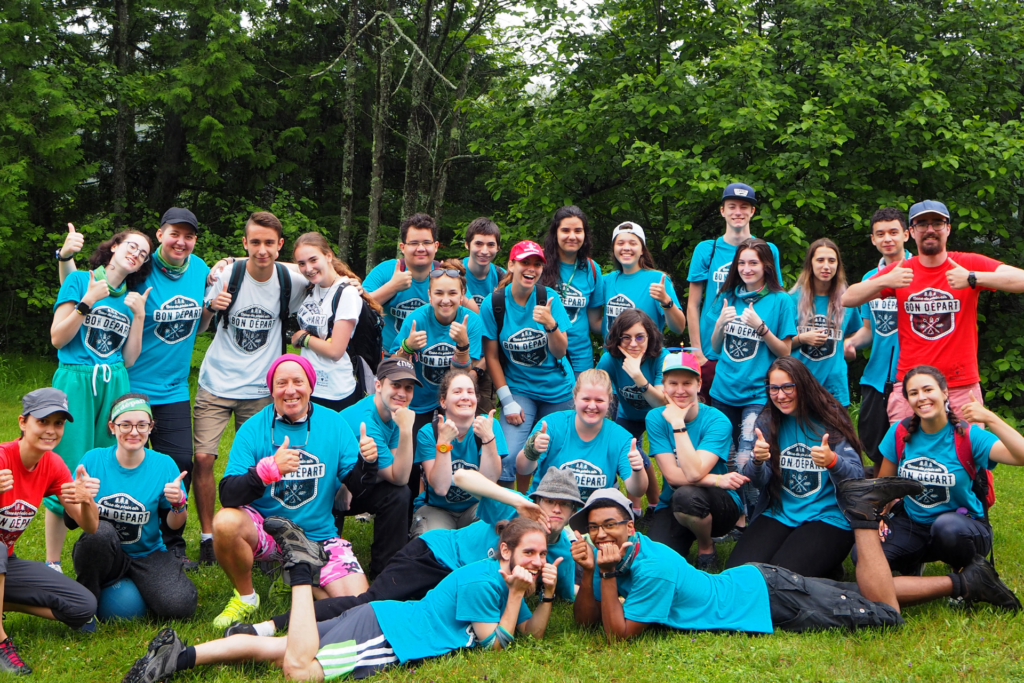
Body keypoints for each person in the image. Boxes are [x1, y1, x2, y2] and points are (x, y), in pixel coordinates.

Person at [123, 516, 561, 682]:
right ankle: (300, 574)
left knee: (281, 651)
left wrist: (543, 596)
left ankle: (179, 657)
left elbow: (526, 633)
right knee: (300, 671)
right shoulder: (484, 582)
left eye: (542, 554)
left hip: (382, 618)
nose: (537, 560)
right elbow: (494, 643)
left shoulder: (512, 583)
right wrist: (517, 594)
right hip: (390, 636)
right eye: (529, 553)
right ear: (505, 551)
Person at [569, 481, 1019, 643]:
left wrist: (605, 575)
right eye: (594, 527)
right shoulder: (619, 558)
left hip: (772, 602)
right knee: (864, 595)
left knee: (884, 616)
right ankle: (968, 582)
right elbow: (590, 622)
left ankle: (862, 517)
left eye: (611, 523)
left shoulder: (649, 567)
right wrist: (591, 572)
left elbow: (618, 636)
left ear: (632, 527)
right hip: (760, 586)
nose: (601, 533)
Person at [227, 467, 582, 639]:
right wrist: (516, 499)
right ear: (536, 500)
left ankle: (315, 601)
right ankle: (265, 628)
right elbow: (461, 478)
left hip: (457, 592)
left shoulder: (560, 548)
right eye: (548, 501)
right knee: (364, 605)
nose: (554, 510)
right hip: (435, 558)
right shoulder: (511, 513)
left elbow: (569, 594)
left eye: (564, 507)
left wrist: (592, 566)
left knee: (389, 620)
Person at [58, 208, 213, 568]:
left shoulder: (202, 270)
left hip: (174, 387)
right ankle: (107, 534)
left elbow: (204, 320)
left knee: (180, 463)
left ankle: (169, 542)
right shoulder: (141, 269)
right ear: (159, 235)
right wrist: (65, 257)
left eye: (188, 236)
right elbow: (88, 282)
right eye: (174, 233)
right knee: (113, 461)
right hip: (131, 384)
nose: (181, 241)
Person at [209, 355, 366, 629]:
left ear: (311, 387)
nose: (290, 390)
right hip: (269, 533)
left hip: (318, 538)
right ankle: (246, 597)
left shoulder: (334, 424)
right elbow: (228, 495)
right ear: (272, 389)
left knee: (358, 604)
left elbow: (361, 490)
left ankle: (291, 578)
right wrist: (265, 472)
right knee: (225, 522)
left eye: (298, 382)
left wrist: (369, 463)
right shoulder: (253, 429)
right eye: (281, 383)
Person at [193, 211, 309, 565]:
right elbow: (199, 328)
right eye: (254, 242)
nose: (262, 250)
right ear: (244, 243)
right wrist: (211, 308)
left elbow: (321, 269)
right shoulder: (229, 273)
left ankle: (256, 533)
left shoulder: (292, 279)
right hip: (216, 381)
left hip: (261, 387)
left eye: (269, 243)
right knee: (203, 458)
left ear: (280, 246)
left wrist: (350, 283)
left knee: (260, 465)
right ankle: (208, 535)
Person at [842, 199, 1024, 422]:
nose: (930, 229)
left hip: (960, 385)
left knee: (966, 453)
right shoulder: (901, 270)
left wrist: (973, 278)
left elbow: (1020, 279)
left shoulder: (966, 264)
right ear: (912, 231)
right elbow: (848, 298)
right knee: (907, 455)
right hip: (911, 386)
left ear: (948, 228)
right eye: (922, 224)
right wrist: (886, 280)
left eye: (937, 223)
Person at [47, 228, 153, 572]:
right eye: (131, 245)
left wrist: (138, 317)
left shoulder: (131, 296)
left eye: (143, 252)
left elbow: (131, 358)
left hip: (115, 383)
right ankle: (53, 562)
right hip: (76, 380)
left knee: (108, 466)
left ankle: (101, 553)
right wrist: (88, 300)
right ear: (114, 247)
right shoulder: (79, 280)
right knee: (67, 469)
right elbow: (58, 338)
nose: (136, 253)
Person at [867, 365, 1024, 573]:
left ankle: (967, 575)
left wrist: (990, 418)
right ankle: (912, 562)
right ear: (908, 400)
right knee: (865, 555)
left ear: (944, 392)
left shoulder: (967, 435)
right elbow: (884, 487)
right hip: (914, 523)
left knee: (946, 527)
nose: (921, 397)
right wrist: (880, 518)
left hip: (962, 527)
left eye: (928, 389)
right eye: (913, 393)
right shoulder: (900, 432)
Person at [725, 358, 865, 578]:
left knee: (780, 581)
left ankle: (824, 565)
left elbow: (857, 478)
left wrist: (832, 460)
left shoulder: (830, 418)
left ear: (804, 385)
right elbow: (757, 480)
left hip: (827, 518)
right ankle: (823, 567)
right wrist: (758, 462)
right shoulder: (767, 421)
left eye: (788, 387)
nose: (781, 395)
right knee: (737, 576)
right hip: (780, 513)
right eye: (774, 389)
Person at [69, 394, 198, 619]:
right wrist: (80, 498)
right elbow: (70, 521)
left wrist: (178, 504)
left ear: (151, 427)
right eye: (125, 425)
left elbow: (173, 526)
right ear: (112, 427)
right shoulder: (93, 460)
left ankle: (143, 588)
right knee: (98, 532)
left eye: (141, 425)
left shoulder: (164, 464)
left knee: (181, 606)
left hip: (148, 553)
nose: (134, 432)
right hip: (104, 552)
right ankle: (86, 605)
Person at [0, 389, 99, 675]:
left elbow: (90, 526)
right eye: (43, 421)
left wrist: (87, 500)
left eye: (58, 423)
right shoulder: (3, 459)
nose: (51, 430)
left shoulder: (53, 464)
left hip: (7, 562)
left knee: (83, 607)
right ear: (22, 422)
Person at [708, 237, 796, 523]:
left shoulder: (780, 300)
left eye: (753, 263)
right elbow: (716, 348)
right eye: (742, 263)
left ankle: (757, 517)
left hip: (757, 394)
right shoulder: (728, 295)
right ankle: (736, 516)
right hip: (723, 390)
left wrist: (761, 328)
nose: (747, 269)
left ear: (767, 266)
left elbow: (785, 351)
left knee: (749, 458)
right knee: (726, 457)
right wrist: (720, 325)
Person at [479, 240, 575, 487]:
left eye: (536, 264)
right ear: (511, 265)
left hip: (559, 390)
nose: (531, 269)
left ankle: (533, 503)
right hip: (520, 389)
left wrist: (550, 325)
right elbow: (491, 356)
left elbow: (561, 351)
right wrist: (507, 401)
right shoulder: (494, 303)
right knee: (508, 454)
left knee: (554, 456)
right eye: (525, 262)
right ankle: (507, 511)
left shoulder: (549, 298)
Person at [686, 183, 783, 402]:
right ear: (722, 211)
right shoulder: (706, 249)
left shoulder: (768, 250)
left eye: (744, 206)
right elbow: (693, 305)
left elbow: (777, 300)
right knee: (712, 424)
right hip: (711, 352)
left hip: (754, 355)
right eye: (732, 206)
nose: (737, 212)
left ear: (752, 211)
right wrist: (697, 351)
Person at [645, 352, 742, 569]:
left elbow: (694, 473)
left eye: (687, 383)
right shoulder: (655, 418)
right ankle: (685, 533)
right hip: (676, 500)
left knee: (688, 496)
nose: (680, 390)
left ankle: (706, 546)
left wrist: (678, 425)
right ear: (664, 386)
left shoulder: (717, 420)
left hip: (718, 504)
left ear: (699, 385)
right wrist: (716, 480)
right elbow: (672, 476)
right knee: (655, 561)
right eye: (673, 383)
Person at [843, 208, 912, 473]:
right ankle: (881, 497)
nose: (888, 239)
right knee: (873, 442)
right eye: (880, 234)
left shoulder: (920, 272)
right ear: (872, 239)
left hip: (910, 376)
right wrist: (850, 343)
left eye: (894, 232)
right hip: (876, 375)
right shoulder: (868, 280)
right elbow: (869, 331)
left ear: (906, 235)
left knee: (908, 442)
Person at [335, 357, 418, 578]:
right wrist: (408, 430)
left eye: (408, 388)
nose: (402, 393)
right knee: (399, 488)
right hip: (330, 492)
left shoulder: (393, 414)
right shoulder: (366, 421)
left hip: (356, 485)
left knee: (399, 494)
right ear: (378, 385)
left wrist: (404, 429)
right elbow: (398, 475)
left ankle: (386, 570)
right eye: (396, 385)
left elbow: (396, 472)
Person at [516, 369, 648, 503]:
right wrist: (532, 450)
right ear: (575, 398)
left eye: (599, 400)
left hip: (593, 514)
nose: (592, 406)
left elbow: (637, 490)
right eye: (586, 399)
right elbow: (522, 469)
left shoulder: (620, 437)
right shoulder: (552, 425)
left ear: (609, 401)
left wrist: (637, 469)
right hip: (547, 509)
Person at [392, 259, 485, 434]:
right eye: (439, 293)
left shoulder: (471, 322)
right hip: (418, 401)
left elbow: (463, 376)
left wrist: (463, 346)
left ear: (462, 295)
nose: (445, 300)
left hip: (454, 402)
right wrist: (407, 347)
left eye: (452, 293)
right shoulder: (416, 319)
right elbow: (392, 368)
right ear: (430, 295)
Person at [293, 232, 382, 412]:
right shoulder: (312, 286)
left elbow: (335, 351)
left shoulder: (346, 293)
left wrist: (303, 339)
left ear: (328, 256)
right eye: (301, 263)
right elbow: (268, 263)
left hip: (335, 391)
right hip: (309, 385)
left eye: (313, 260)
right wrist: (229, 261)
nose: (308, 268)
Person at [365, 213, 476, 355]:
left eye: (427, 242)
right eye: (414, 243)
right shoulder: (386, 271)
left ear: (436, 246)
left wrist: (455, 288)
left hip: (434, 357)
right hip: (389, 356)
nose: (421, 248)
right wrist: (392, 287)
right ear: (402, 247)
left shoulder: (444, 274)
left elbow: (474, 313)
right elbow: (358, 307)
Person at [411, 369, 505, 536]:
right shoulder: (428, 433)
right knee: (431, 544)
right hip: (437, 507)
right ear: (443, 401)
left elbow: (489, 481)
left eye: (470, 392)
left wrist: (488, 438)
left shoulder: (491, 427)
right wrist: (444, 443)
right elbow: (440, 488)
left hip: (476, 506)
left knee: (492, 533)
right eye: (457, 392)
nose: (465, 397)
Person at [595, 309, 667, 517]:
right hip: (628, 415)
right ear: (617, 339)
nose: (633, 344)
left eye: (639, 337)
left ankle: (657, 504)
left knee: (660, 457)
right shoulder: (610, 359)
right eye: (626, 338)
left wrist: (638, 376)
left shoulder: (662, 357)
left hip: (659, 416)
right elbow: (598, 387)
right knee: (630, 453)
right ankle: (635, 508)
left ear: (650, 337)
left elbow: (660, 404)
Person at [789, 238, 862, 406]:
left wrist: (849, 344)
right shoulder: (792, 299)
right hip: (800, 382)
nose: (826, 266)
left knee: (835, 433)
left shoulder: (847, 300)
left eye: (832, 260)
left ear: (838, 265)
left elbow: (854, 333)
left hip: (834, 387)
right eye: (820, 260)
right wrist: (802, 338)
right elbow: (778, 346)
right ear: (810, 264)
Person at [540, 205, 605, 376]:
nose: (572, 236)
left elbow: (595, 322)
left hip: (580, 356)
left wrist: (625, 326)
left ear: (585, 234)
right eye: (565, 230)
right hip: (543, 353)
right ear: (555, 233)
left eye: (578, 231)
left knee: (580, 402)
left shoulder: (591, 268)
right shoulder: (537, 262)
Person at [601, 222, 685, 336]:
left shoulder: (657, 280)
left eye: (633, 243)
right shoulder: (607, 280)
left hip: (647, 353)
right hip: (612, 353)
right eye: (620, 243)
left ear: (642, 250)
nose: (626, 248)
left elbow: (679, 328)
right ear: (613, 249)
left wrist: (666, 301)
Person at [462, 217, 505, 414]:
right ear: (467, 244)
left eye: (490, 244)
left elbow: (504, 330)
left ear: (498, 248)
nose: (484, 250)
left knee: (482, 418)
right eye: (478, 243)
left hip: (487, 359)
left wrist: (480, 368)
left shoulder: (503, 277)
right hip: (454, 353)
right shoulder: (454, 273)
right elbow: (483, 320)